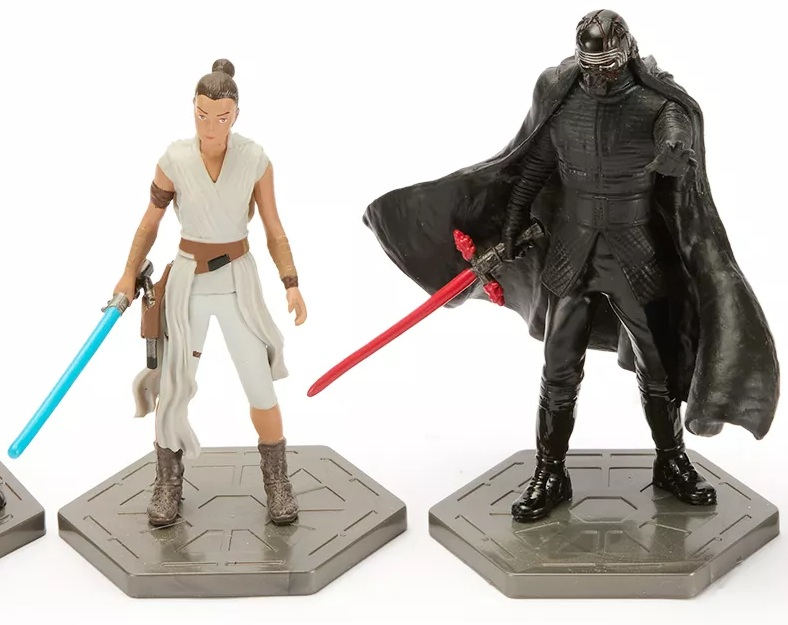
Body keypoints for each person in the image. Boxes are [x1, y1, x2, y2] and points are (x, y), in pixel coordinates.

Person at [362, 10, 779, 523]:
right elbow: (533, 170)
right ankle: (549, 471)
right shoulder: (564, 100)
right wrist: (512, 224)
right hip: (570, 258)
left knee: (659, 370)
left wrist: (675, 147)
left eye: (607, 63)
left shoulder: (657, 104)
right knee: (558, 370)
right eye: (591, 64)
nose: (599, 74)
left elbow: (675, 131)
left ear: (627, 53)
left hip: (636, 258)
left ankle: (671, 461)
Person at [114, 59, 307, 527]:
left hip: (238, 280)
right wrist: (126, 275)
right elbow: (149, 223)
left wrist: (291, 282)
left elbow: (274, 228)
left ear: (236, 114)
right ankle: (167, 480)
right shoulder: (174, 161)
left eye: (221, 117)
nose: (211, 126)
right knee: (174, 386)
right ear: (193, 110)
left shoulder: (255, 159)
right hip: (190, 283)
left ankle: (277, 479)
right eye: (202, 115)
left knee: (259, 384)